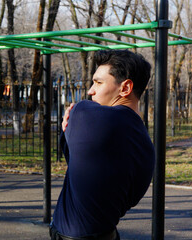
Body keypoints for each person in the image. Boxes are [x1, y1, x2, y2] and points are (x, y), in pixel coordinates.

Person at [50, 50, 155, 240]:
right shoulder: (144, 143)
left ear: (125, 88)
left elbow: (71, 147)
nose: (91, 90)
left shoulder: (85, 114)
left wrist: (73, 112)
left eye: (98, 82)